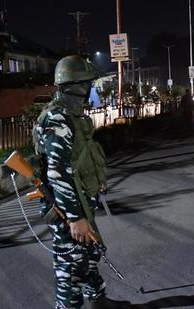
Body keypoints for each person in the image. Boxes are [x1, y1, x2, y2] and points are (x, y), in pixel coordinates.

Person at [33, 55, 129, 309]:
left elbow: (79, 158)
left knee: (88, 254)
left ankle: (99, 301)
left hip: (80, 200)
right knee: (71, 267)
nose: (91, 88)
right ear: (79, 86)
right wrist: (75, 218)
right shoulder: (58, 118)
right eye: (89, 83)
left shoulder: (71, 115)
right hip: (68, 208)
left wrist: (95, 182)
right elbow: (57, 172)